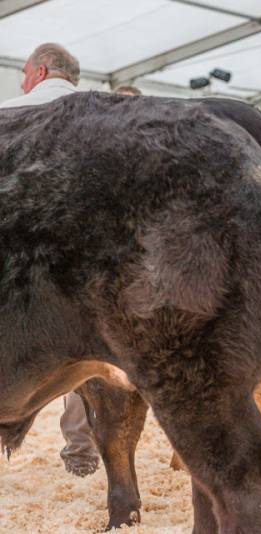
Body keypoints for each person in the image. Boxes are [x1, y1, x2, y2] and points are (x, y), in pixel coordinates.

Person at [0, 43, 100, 477]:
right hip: (86, 267)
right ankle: (82, 454)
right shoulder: (102, 118)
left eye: (24, 73)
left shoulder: (9, 113)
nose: (23, 81)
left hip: (17, 269)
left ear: (39, 71)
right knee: (88, 358)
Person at [0, 42, 80, 109]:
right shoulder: (90, 109)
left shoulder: (9, 109)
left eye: (26, 74)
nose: (22, 85)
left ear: (41, 72)